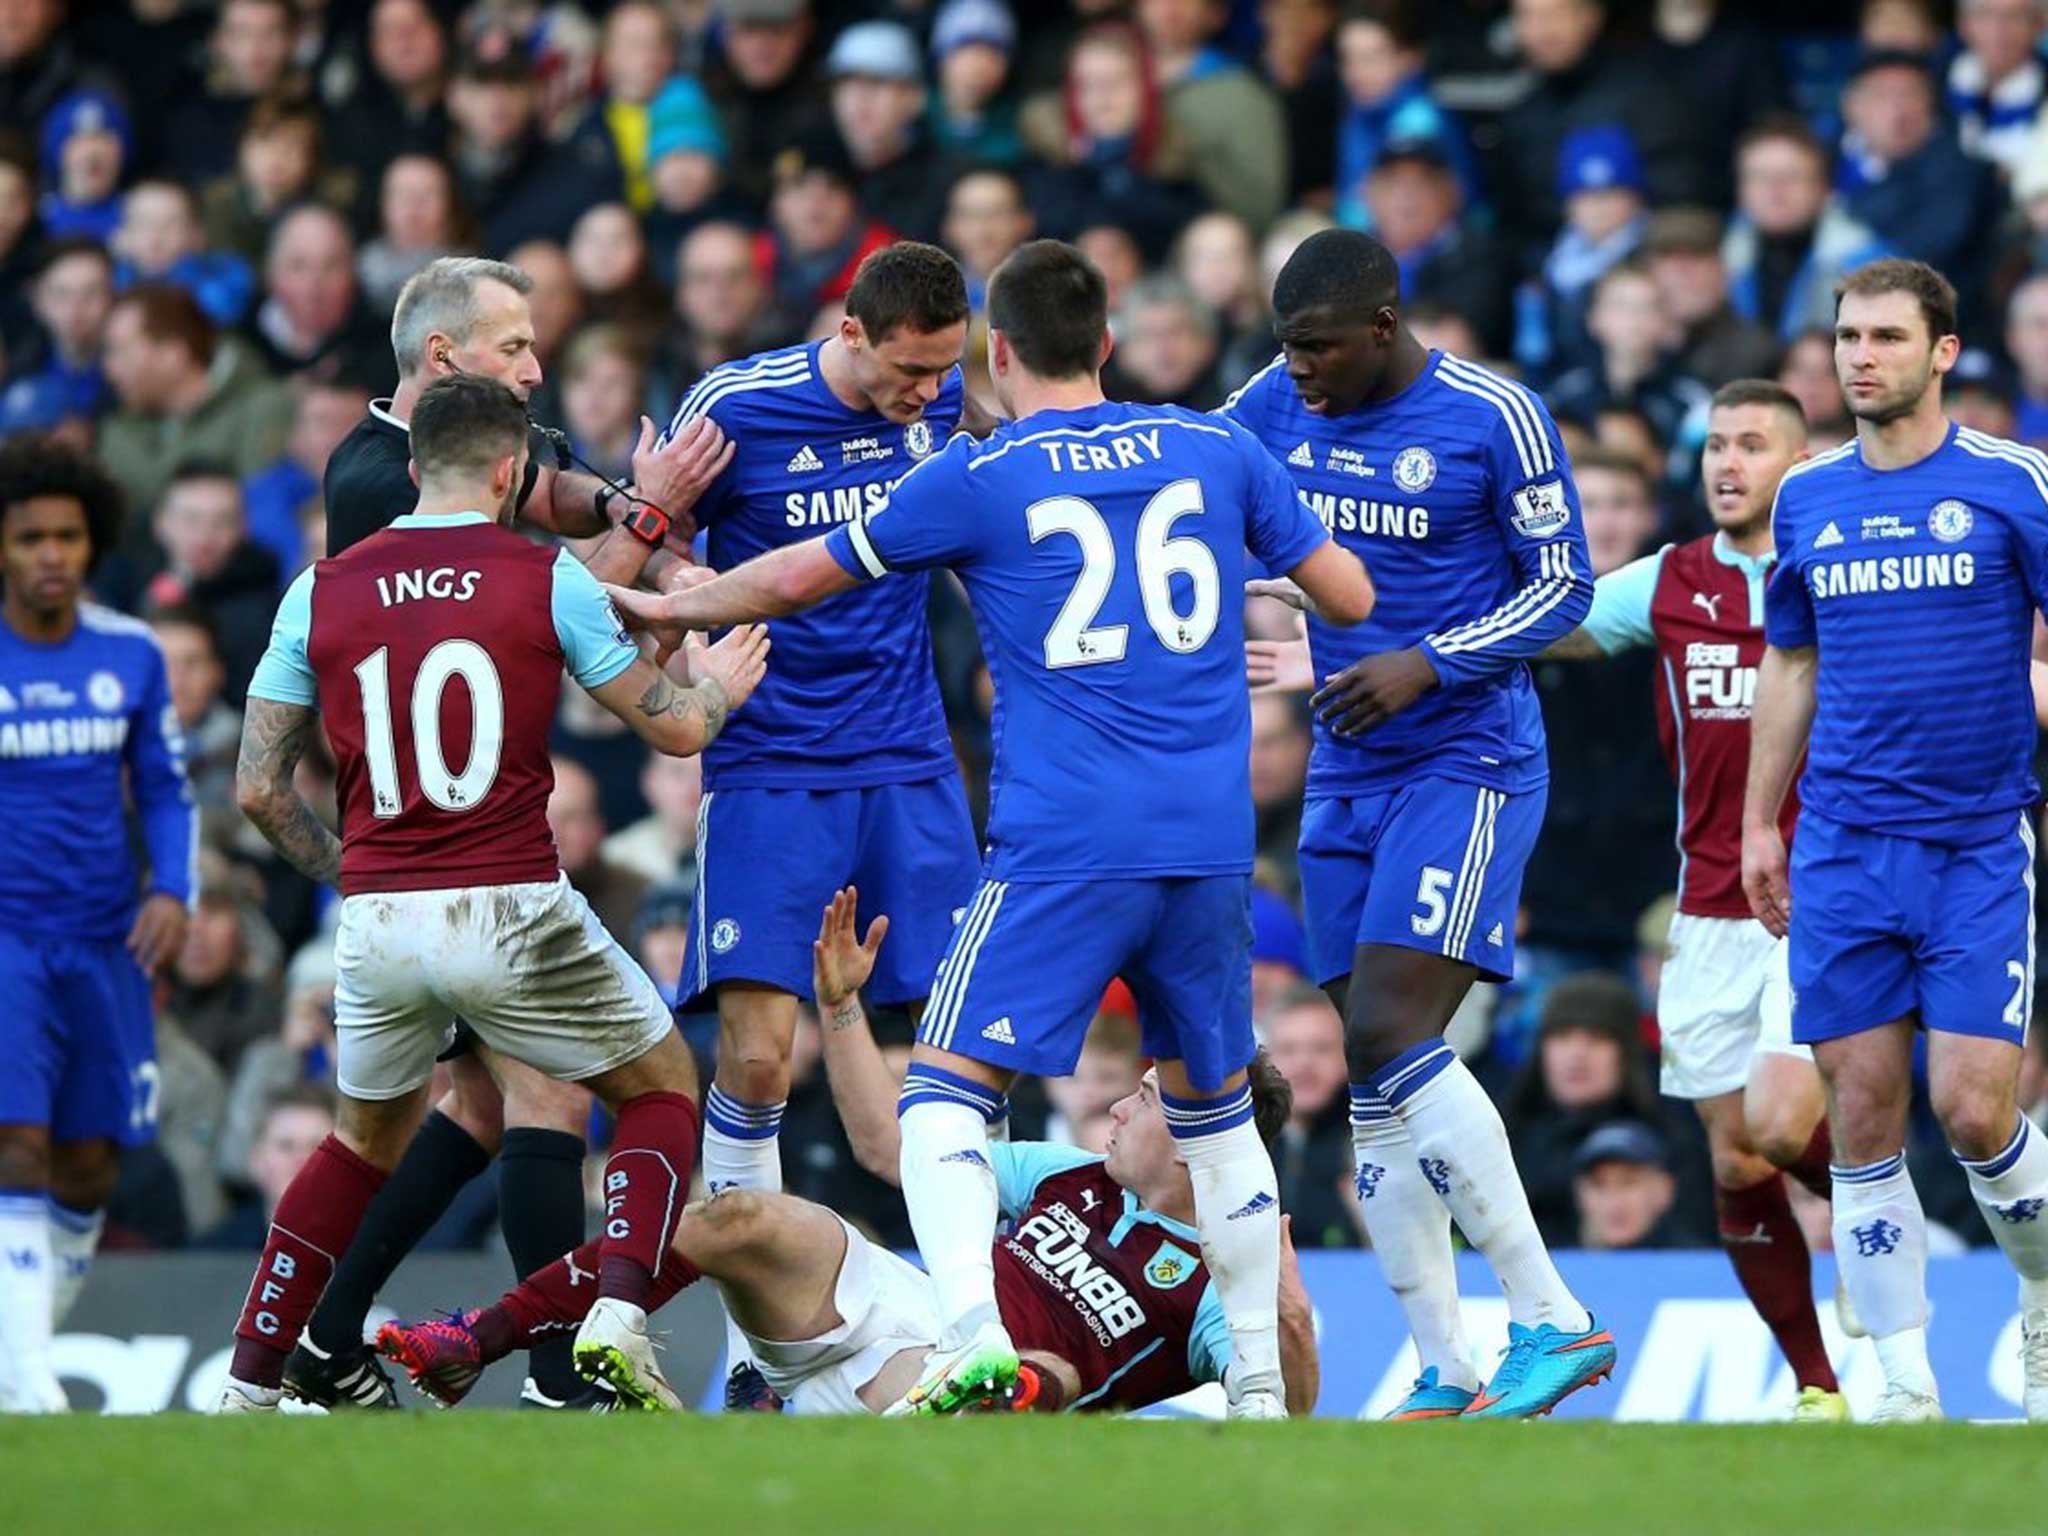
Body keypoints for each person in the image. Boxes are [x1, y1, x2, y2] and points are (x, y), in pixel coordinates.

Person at [610, 238, 1372, 1419]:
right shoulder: (1216, 446)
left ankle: (973, 1331)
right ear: (1108, 343)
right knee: (1219, 1119)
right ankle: (1262, 1394)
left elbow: (795, 577)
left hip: (1063, 841)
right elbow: (1353, 598)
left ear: (997, 351)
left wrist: (665, 600)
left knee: (944, 1097)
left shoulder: (985, 469)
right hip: (1211, 841)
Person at [213, 372, 769, 1414]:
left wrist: (359, 873)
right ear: (513, 472)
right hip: (510, 901)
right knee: (656, 1086)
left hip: (377, 916)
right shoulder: (543, 576)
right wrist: (719, 688)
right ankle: (611, 1316)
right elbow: (677, 730)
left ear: (413, 468)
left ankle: (249, 1380)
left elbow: (256, 789)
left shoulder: (318, 587)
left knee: (358, 1142)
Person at [376, 890, 1319, 1417]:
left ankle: (944, 1397)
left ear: (1203, 1138)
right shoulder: (1065, 1174)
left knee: (1050, 1373)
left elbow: (1286, 1407)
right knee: (731, 1218)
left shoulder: (1211, 1283)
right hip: (913, 1314)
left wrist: (1287, 1309)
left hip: (968, 1395)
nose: (1116, 1105)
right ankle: (481, 1339)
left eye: (1146, 1101)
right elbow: (887, 1146)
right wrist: (839, 1009)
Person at [1222, 227, 1610, 1421]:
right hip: (1343, 767)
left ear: (1384, 328)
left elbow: (1565, 587)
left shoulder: (1493, 415)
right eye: (1286, 348)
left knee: (1389, 1032)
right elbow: (1195, 498)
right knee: (1374, 1080)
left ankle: (1554, 1320)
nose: (1299, 372)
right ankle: (1444, 1365)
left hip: (1469, 757)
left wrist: (1426, 663)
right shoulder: (1269, 403)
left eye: (1319, 349)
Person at [645, 241, 986, 1410]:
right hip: (772, 762)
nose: (926, 393)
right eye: (908, 370)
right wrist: (682, 640)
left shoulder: (950, 405)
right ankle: (753, 1354)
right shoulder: (733, 408)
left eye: (943, 370)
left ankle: (978, 1326)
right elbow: (642, 556)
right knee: (751, 1053)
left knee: (956, 1047)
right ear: (849, 333)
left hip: (907, 761)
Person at [1743, 258, 2048, 1423]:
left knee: (1972, 1110)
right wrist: (1758, 820)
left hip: (1973, 845)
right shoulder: (1806, 499)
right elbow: (1791, 657)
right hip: (1838, 847)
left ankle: (2038, 1302)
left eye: (1881, 336)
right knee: (1858, 1112)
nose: (1856, 356)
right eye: (1842, 336)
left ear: (1941, 352)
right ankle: (1901, 1381)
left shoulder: (2013, 485)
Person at [1543, 378, 1848, 1418]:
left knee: (1770, 1122)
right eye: (1715, 445)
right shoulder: (1672, 580)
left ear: (1797, 466)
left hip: (1821, 897)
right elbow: (1558, 628)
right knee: (1731, 1154)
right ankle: (1817, 1385)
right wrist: (1375, 619)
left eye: (1752, 445)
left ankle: (1887, 1219)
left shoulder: (1844, 575)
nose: (1726, 463)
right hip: (1705, 906)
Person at [0, 436, 194, 1413]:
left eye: (67, 536)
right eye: (29, 536)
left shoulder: (130, 651)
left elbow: (164, 788)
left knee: (87, 1163)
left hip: (106, 937)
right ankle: (27, 1383)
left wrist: (174, 891)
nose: (50, 555)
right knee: (17, 1145)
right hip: (7, 940)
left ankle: (17, 1346)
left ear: (91, 542)